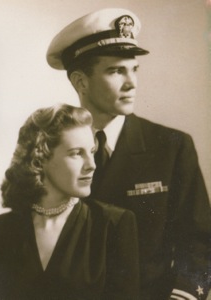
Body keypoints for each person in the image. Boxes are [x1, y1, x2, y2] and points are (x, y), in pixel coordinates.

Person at [46, 8, 211, 300]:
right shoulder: (48, 148)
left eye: (133, 69)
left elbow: (200, 244)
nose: (131, 83)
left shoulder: (171, 146)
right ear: (80, 81)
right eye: (115, 71)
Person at [0, 104, 140, 299]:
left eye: (91, 151)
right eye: (76, 153)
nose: (91, 165)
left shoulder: (114, 225)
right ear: (40, 158)